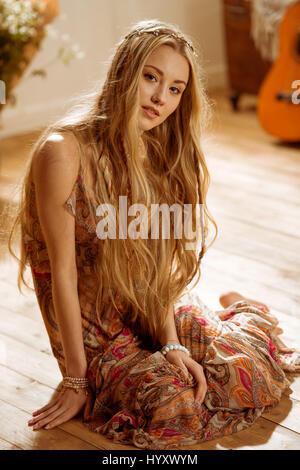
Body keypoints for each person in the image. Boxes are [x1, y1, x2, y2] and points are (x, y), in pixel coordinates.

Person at [8, 19, 300, 450]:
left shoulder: (157, 151)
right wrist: (75, 378)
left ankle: (242, 314)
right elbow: (62, 275)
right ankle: (222, 321)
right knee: (172, 409)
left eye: (176, 89)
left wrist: (171, 344)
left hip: (148, 304)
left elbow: (155, 268)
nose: (161, 97)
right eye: (151, 77)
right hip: (95, 334)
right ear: (124, 72)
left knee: (239, 373)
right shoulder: (62, 151)